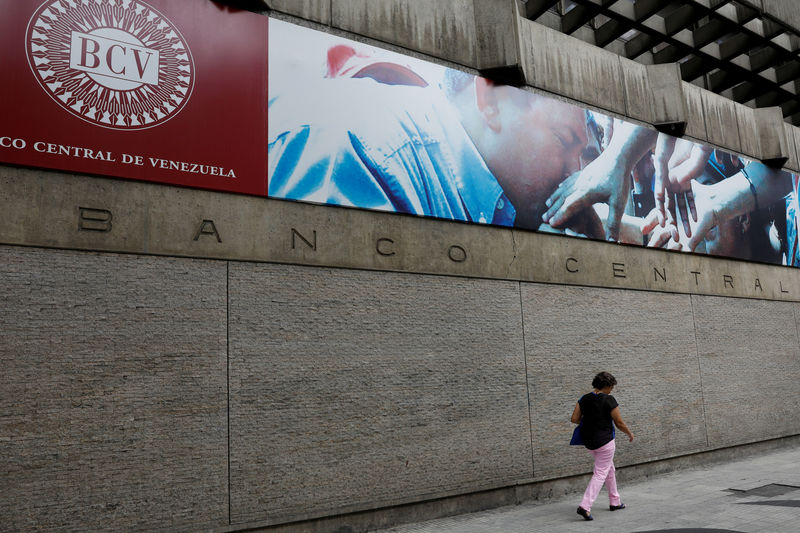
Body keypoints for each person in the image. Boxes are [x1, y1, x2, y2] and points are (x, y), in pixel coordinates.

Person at [268, 42, 598, 232]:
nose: (576, 173)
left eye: (583, 154)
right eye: (563, 139)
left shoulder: (497, 200)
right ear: (491, 102)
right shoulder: (363, 152)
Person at [570, 371, 634, 521]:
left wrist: (591, 422)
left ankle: (615, 501)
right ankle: (585, 506)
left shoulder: (583, 398)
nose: (612, 389)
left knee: (608, 468)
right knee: (600, 473)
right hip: (605, 442)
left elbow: (574, 419)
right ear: (606, 386)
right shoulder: (609, 399)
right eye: (611, 386)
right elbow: (619, 423)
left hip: (589, 442)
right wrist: (630, 434)